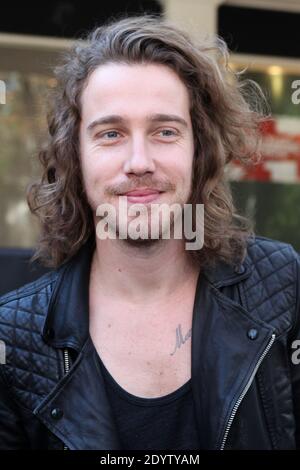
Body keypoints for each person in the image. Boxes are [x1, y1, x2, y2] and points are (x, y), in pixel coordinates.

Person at [0, 14, 299, 451]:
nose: (139, 161)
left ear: (199, 150)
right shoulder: (15, 334)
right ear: (74, 156)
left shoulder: (283, 284)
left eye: (164, 131)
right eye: (111, 133)